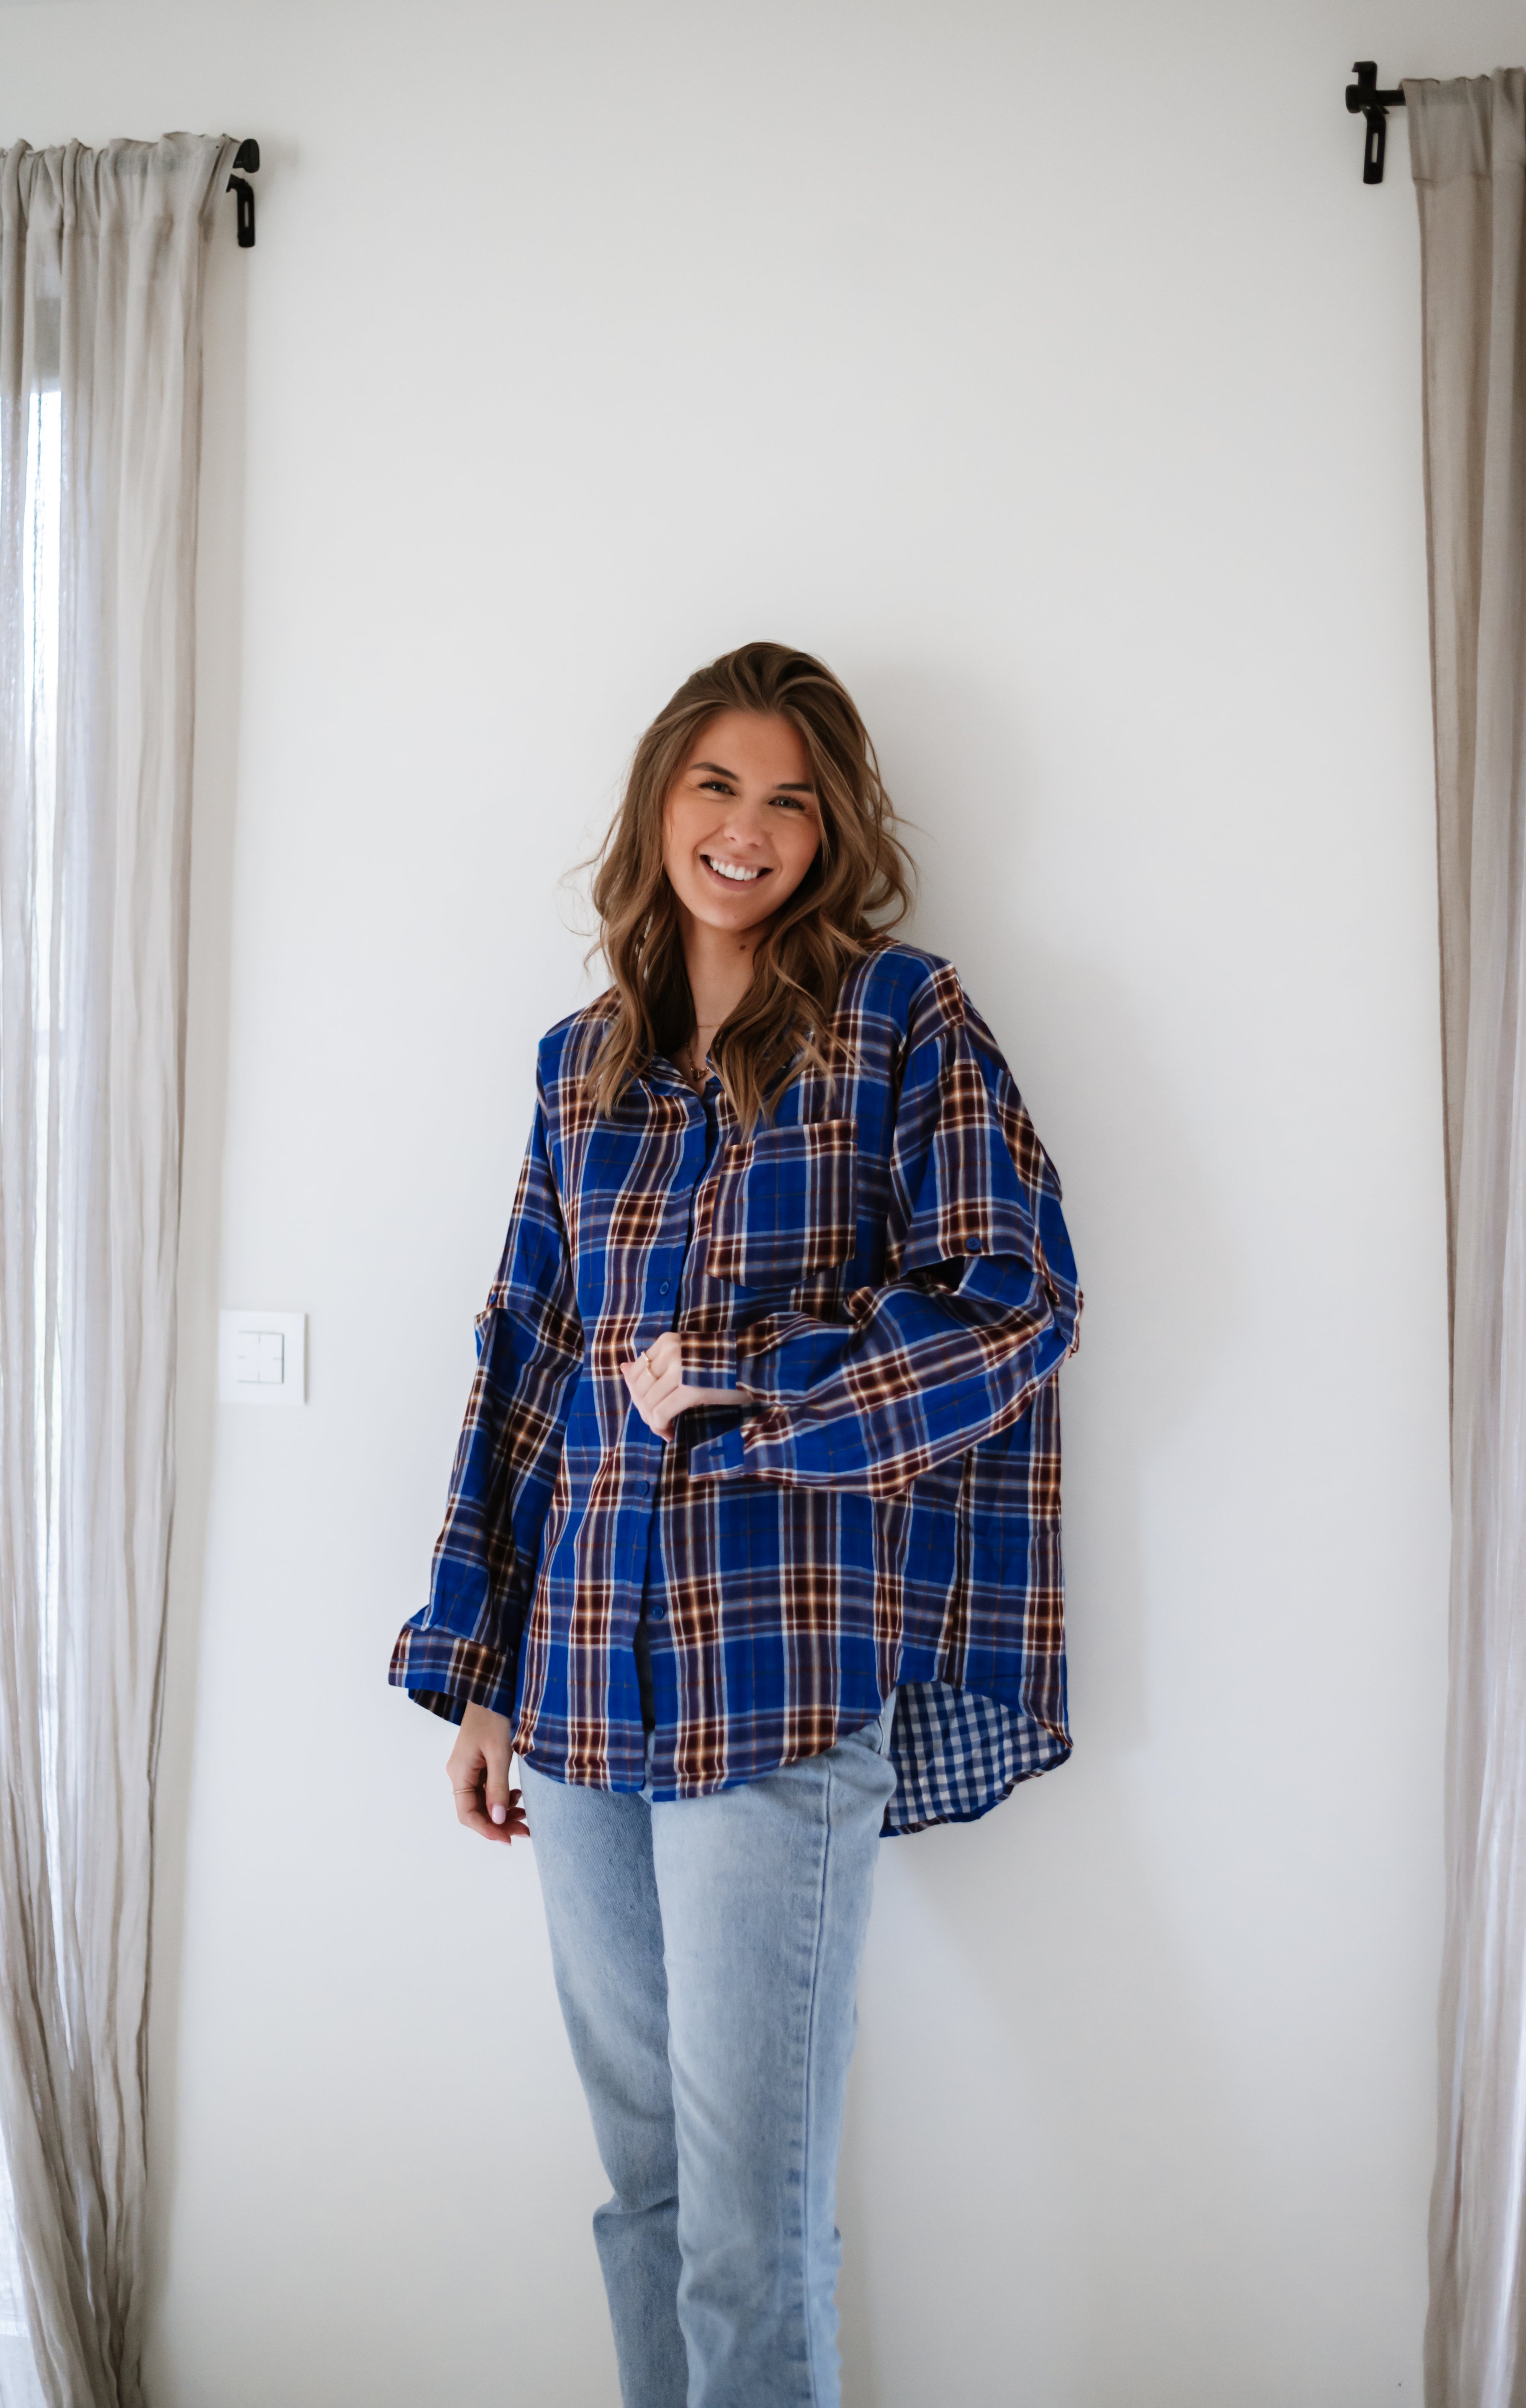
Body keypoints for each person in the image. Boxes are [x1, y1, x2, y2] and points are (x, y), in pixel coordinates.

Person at [389, 641, 1081, 2408]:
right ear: (658, 802)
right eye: (717, 785)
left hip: (774, 1682)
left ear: (834, 832)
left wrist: (751, 1380)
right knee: (645, 2200)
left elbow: (1013, 1299)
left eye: (791, 800)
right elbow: (526, 1366)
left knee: (746, 2233)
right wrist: (483, 1673)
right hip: (579, 1689)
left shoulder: (900, 1020)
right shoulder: (580, 1066)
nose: (747, 829)